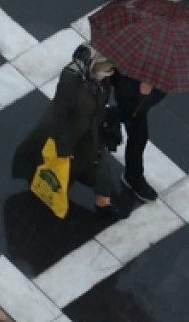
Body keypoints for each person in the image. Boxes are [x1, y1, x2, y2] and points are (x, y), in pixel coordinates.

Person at [11, 44, 122, 216]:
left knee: (100, 163)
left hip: (89, 132)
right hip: (67, 133)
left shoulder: (103, 81)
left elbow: (98, 106)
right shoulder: (71, 79)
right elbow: (60, 114)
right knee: (54, 169)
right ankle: (41, 189)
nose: (110, 73)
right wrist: (63, 147)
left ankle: (103, 201)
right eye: (108, 69)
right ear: (96, 64)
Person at [107, 72, 167, 202]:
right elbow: (124, 97)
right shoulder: (149, 69)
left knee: (139, 136)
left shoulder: (162, 70)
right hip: (134, 101)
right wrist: (142, 94)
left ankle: (106, 117)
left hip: (138, 99)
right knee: (138, 137)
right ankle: (132, 177)